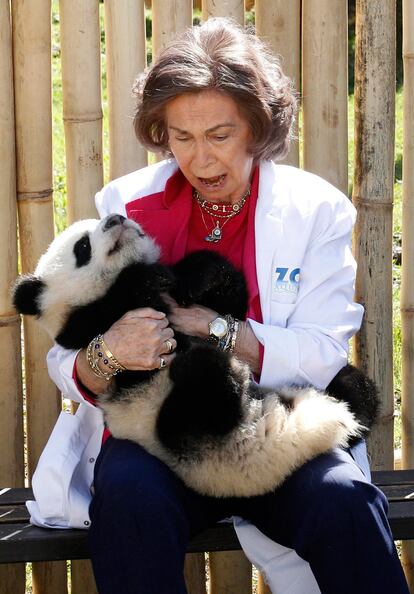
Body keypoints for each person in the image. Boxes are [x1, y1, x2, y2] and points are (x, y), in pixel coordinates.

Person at [29, 17, 409, 594]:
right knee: (128, 501)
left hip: (267, 427)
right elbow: (67, 354)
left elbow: (324, 351)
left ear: (259, 127)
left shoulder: (315, 211)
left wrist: (219, 330)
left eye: (220, 135)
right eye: (181, 137)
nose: (200, 158)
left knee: (342, 501)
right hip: (157, 440)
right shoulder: (126, 206)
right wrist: (107, 354)